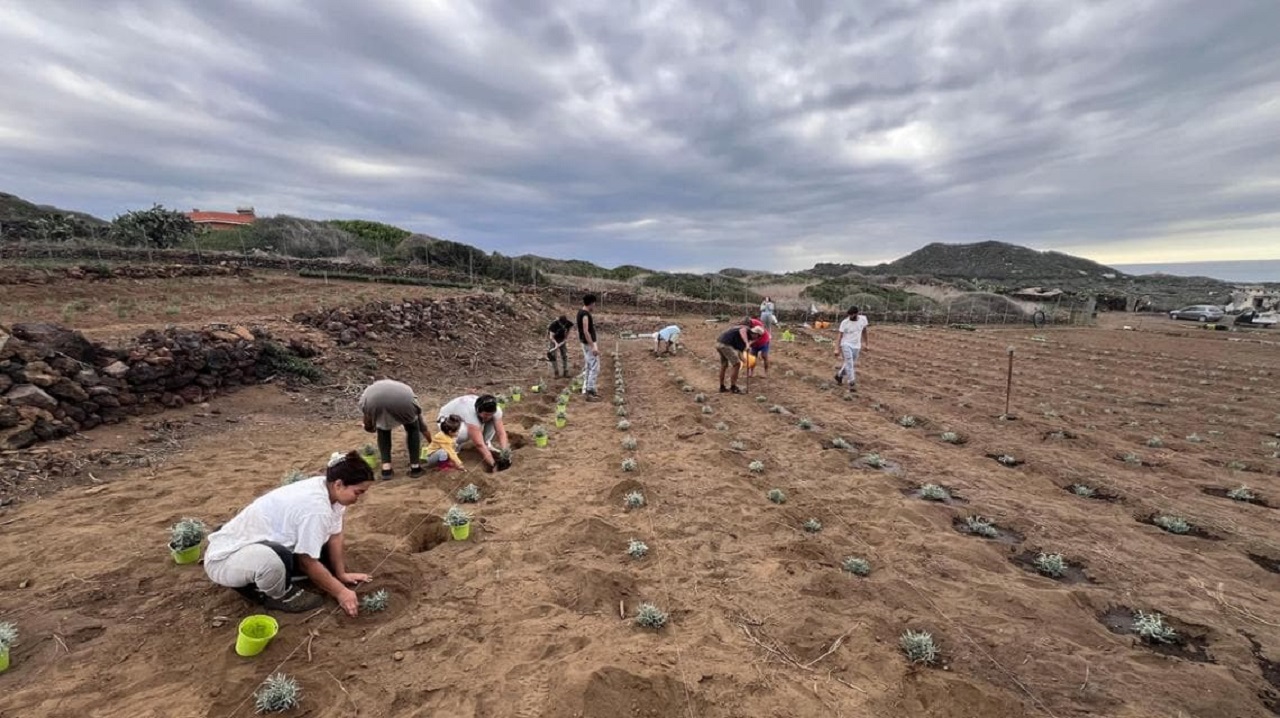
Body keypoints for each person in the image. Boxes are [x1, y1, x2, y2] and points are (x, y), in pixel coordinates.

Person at [204, 451, 373, 616]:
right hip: (224, 559)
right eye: (358, 492)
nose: (359, 498)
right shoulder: (316, 509)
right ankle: (275, 595)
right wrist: (341, 592)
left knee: (323, 556)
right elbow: (306, 561)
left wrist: (341, 575)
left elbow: (335, 535)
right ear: (338, 484)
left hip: (258, 543)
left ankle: (262, 570)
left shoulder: (330, 492)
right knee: (275, 562)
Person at [358, 379, 428, 479]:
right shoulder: (405, 389)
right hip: (404, 401)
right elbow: (421, 424)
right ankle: (415, 468)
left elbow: (367, 419)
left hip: (373, 402)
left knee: (383, 431)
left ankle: (386, 469)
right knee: (413, 429)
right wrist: (431, 441)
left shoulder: (367, 393)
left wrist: (370, 427)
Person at [437, 394, 511, 472]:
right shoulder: (471, 415)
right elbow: (479, 444)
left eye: (490, 414)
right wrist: (493, 464)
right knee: (465, 433)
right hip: (446, 420)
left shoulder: (496, 410)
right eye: (486, 414)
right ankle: (454, 447)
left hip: (462, 416)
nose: (488, 417)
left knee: (493, 420)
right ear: (477, 410)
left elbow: (501, 433)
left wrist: (505, 454)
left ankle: (487, 443)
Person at [715, 320, 755, 394]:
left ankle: (722, 387)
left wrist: (746, 362)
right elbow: (743, 330)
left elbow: (740, 353)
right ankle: (733, 387)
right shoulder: (745, 328)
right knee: (737, 364)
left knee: (724, 365)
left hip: (718, 344)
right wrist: (747, 343)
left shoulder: (736, 330)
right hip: (725, 345)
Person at [835, 305, 870, 389]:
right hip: (846, 344)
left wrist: (866, 344)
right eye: (849, 315)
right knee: (850, 363)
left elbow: (864, 332)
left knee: (849, 363)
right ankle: (851, 382)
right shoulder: (845, 322)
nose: (850, 317)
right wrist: (836, 349)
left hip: (857, 345)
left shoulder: (863, 319)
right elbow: (839, 336)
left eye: (852, 315)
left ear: (857, 314)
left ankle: (839, 375)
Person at [576, 293, 601, 401]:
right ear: (591, 303)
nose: (594, 306)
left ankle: (586, 389)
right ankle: (590, 391)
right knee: (595, 367)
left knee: (588, 366)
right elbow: (586, 331)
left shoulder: (580, 312)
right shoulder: (585, 314)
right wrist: (593, 346)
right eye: (594, 303)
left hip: (584, 343)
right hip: (588, 343)